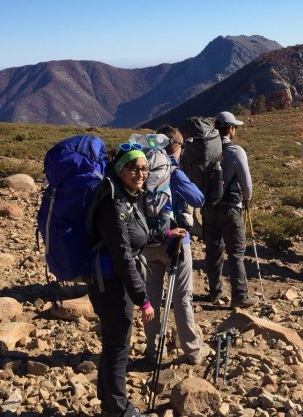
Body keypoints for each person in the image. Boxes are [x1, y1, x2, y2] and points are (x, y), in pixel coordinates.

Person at [87, 142, 186, 417]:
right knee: (118, 345)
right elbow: (123, 257)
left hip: (112, 282)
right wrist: (144, 300)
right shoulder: (114, 204)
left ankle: (109, 402)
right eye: (134, 168)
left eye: (144, 168)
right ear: (120, 169)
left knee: (113, 342)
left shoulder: (127, 196)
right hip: (110, 284)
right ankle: (119, 409)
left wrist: (166, 235)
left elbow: (136, 237)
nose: (141, 174)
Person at [141, 126, 210, 365]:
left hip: (146, 242)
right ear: (176, 146)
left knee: (150, 297)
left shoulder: (142, 169)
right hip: (176, 242)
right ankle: (192, 350)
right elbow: (199, 199)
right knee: (182, 298)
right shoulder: (173, 172)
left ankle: (152, 349)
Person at [203, 111, 259, 309]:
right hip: (230, 208)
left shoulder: (206, 150)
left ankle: (215, 291)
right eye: (235, 126)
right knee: (235, 252)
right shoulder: (236, 151)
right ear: (230, 129)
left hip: (208, 208)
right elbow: (247, 184)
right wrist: (247, 197)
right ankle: (240, 295)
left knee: (213, 250)